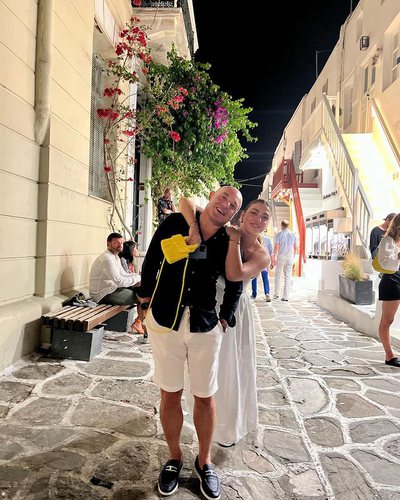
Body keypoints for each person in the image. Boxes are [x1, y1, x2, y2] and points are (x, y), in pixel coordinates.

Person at [138, 186, 243, 499]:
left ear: (234, 214)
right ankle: (174, 457)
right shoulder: (176, 222)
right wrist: (144, 301)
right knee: (170, 393)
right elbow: (152, 259)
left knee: (205, 396)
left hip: (204, 326)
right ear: (211, 197)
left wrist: (225, 317)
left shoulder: (227, 240)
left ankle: (204, 460)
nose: (226, 205)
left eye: (234, 205)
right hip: (165, 321)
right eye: (223, 197)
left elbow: (235, 282)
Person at [181, 198, 270, 447]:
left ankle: (226, 428)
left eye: (264, 217)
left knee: (229, 368)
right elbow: (186, 202)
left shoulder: (261, 255)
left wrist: (234, 240)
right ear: (242, 215)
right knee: (205, 369)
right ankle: (200, 420)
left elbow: (234, 274)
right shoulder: (224, 228)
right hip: (207, 305)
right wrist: (194, 226)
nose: (258, 219)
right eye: (254, 213)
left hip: (232, 313)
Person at [89, 233, 141, 305]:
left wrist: (138, 275)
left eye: (121, 242)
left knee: (142, 291)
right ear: (108, 244)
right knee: (141, 296)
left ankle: (142, 312)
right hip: (102, 295)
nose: (120, 245)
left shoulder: (115, 257)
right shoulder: (107, 259)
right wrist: (138, 278)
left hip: (111, 289)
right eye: (116, 243)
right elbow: (119, 281)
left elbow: (123, 274)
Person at [378, 213, 400, 367]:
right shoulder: (387, 240)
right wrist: (398, 257)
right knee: (387, 320)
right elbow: (384, 263)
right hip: (392, 280)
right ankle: (389, 355)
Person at [118, 240, 145, 334]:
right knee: (143, 297)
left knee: (144, 295)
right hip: (124, 287)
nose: (138, 250)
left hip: (130, 285)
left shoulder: (132, 261)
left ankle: (139, 322)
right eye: (136, 248)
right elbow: (125, 277)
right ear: (131, 250)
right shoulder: (123, 260)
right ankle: (139, 322)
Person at [273, 220, 297, 301]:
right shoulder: (293, 234)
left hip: (281, 256)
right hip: (290, 256)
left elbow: (276, 247)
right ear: (288, 225)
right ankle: (286, 296)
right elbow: (295, 247)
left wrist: (274, 257)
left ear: (282, 225)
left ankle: (276, 294)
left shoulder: (279, 234)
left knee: (278, 275)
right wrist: (293, 256)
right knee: (288, 276)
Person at [251, 232, 273, 301]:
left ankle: (254, 294)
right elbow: (271, 252)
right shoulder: (267, 239)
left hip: (255, 262)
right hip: (264, 261)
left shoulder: (254, 238)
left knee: (254, 278)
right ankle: (267, 293)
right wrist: (271, 261)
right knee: (265, 278)